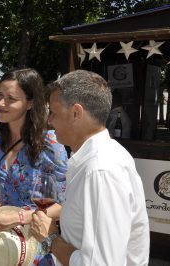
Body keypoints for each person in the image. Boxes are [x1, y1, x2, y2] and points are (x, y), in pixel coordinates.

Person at [31, 70, 149, 265]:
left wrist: (51, 239)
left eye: (53, 112)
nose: (49, 120)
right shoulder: (98, 159)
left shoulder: (100, 170)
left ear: (76, 113)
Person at [0, 68, 68, 265]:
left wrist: (20, 217)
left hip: (33, 247)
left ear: (30, 103)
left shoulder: (50, 144)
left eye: (11, 98)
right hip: (0, 244)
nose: (1, 103)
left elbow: (65, 205)